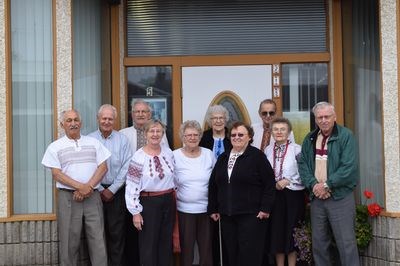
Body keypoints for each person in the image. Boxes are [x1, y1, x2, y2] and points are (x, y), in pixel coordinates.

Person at [41, 109, 111, 266]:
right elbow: (57, 174)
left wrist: (88, 187)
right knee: (69, 242)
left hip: (92, 196)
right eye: (69, 121)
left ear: (81, 122)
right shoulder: (55, 147)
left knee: (98, 239)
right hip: (68, 198)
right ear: (62, 125)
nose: (73, 123)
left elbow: (103, 167)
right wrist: (81, 187)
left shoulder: (93, 143)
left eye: (76, 120)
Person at [298, 102, 359, 266]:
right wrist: (314, 185)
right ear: (316, 120)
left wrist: (327, 185)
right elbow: (303, 164)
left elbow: (348, 167)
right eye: (320, 117)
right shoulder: (310, 138)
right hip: (317, 198)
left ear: (335, 117)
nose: (324, 120)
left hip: (339, 197)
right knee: (319, 244)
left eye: (327, 116)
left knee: (346, 244)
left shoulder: (346, 136)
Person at [208, 121, 276, 266]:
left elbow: (269, 184)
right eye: (233, 135)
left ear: (249, 137)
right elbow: (214, 184)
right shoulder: (223, 157)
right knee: (231, 254)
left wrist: (265, 208)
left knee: (249, 254)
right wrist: (213, 208)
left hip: (251, 215)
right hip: (227, 215)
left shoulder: (257, 157)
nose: (236, 137)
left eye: (241, 134)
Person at [120, 98, 169, 265]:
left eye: (158, 132)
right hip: (148, 203)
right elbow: (132, 184)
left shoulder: (168, 153)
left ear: (162, 134)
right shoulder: (138, 157)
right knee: (148, 246)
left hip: (168, 202)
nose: (155, 135)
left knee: (165, 245)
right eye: (151, 132)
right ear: (146, 134)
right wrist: (135, 211)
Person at [89, 104, 132, 266]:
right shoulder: (90, 139)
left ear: (114, 120)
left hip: (117, 192)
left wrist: (112, 189)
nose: (107, 121)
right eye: (104, 118)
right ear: (98, 119)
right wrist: (100, 189)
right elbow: (88, 167)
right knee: (96, 234)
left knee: (117, 235)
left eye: (110, 119)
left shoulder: (122, 140)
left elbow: (127, 165)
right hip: (94, 192)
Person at [173, 120, 215, 266]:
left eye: (195, 135)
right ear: (182, 137)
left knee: (206, 250)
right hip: (184, 211)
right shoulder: (175, 156)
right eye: (188, 135)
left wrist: (216, 207)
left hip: (206, 210)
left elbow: (216, 182)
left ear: (200, 136)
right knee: (186, 251)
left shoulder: (208, 154)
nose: (192, 138)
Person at [265, 117, 305, 266]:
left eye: (282, 129)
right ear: (271, 132)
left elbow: (305, 172)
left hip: (293, 196)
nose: (279, 132)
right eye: (276, 129)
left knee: (291, 232)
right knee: (277, 232)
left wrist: (288, 180)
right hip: (275, 197)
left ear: (289, 132)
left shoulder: (297, 149)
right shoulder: (268, 150)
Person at [199, 104, 232, 265]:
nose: (218, 121)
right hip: (207, 189)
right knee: (210, 234)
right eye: (214, 118)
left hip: (229, 190)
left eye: (221, 118)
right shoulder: (202, 138)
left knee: (228, 232)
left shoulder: (233, 137)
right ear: (209, 121)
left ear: (226, 120)